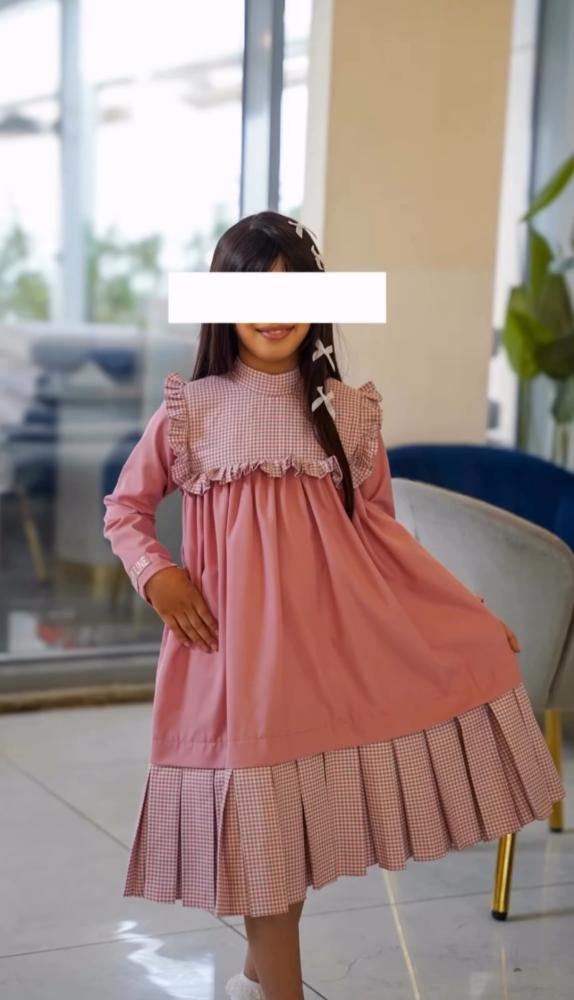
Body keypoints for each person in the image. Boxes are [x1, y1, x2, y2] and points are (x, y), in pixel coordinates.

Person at [102, 210, 565, 1000]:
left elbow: (384, 539)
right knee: (261, 836)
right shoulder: (192, 411)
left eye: (293, 292)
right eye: (253, 292)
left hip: (325, 659)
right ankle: (277, 986)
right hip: (233, 664)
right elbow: (125, 510)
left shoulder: (350, 414)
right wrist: (159, 575)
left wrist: (468, 613)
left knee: (288, 833)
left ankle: (259, 973)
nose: (273, 311)